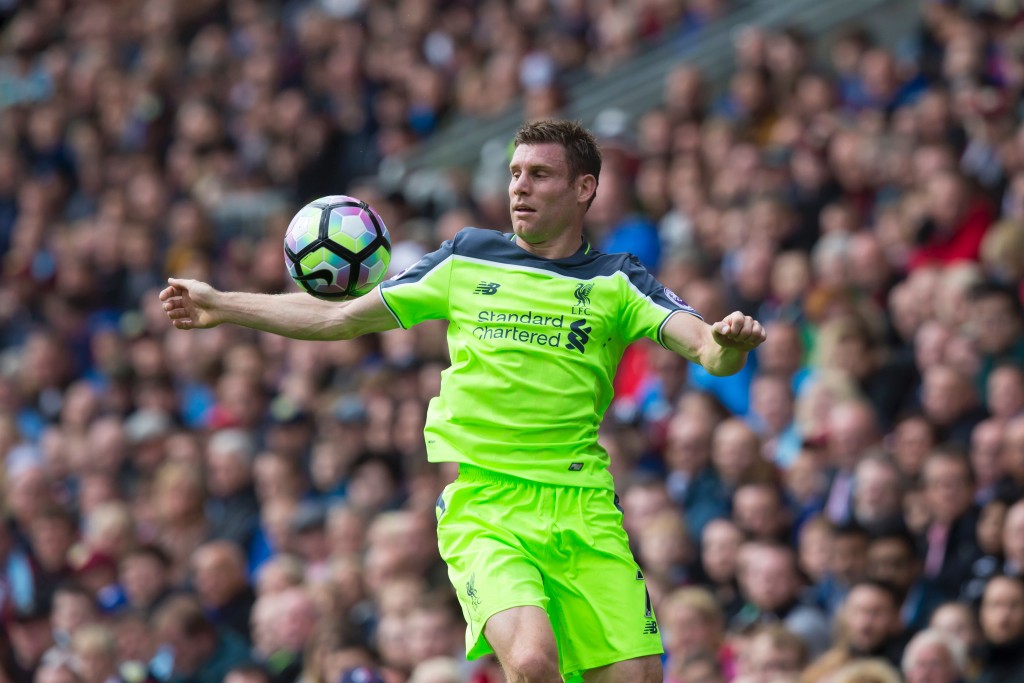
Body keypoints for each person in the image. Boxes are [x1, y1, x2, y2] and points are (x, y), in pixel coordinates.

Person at [160, 119, 767, 683]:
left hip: (585, 511)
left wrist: (729, 342)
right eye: (514, 174)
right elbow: (339, 317)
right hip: (487, 507)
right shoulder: (466, 256)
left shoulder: (618, 279)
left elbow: (710, 352)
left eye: (540, 175)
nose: (519, 188)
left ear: (585, 188)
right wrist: (223, 304)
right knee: (531, 660)